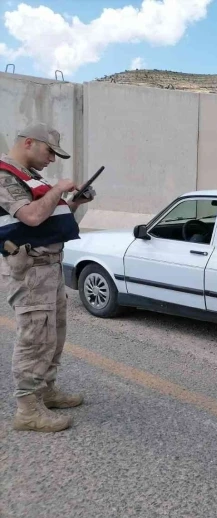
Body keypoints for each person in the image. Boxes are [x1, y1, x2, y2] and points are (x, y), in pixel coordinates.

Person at [0, 123, 95, 433]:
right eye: (50, 151)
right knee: (34, 338)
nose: (53, 159)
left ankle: (45, 391)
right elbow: (31, 216)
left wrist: (75, 201)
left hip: (49, 265)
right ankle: (27, 410)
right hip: (30, 269)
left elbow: (52, 218)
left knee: (53, 334)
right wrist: (58, 188)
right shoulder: (4, 176)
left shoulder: (30, 178)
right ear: (29, 142)